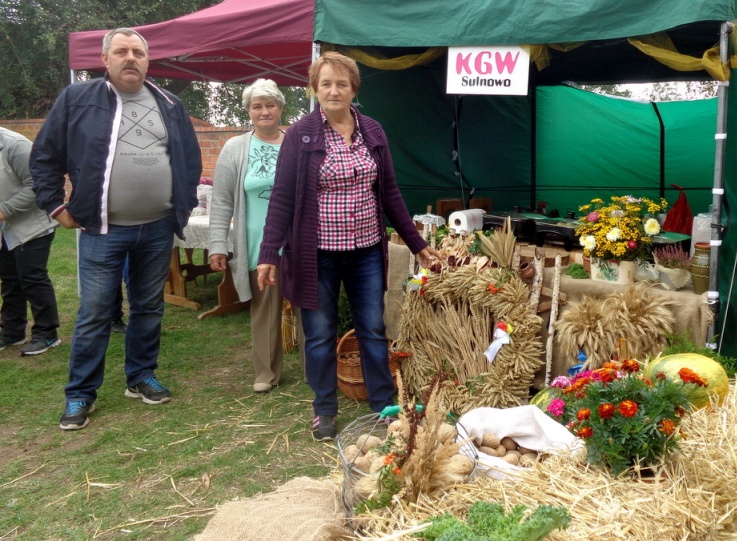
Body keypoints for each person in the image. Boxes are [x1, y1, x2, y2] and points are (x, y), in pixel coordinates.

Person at [257, 52, 438, 441]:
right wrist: (268, 253)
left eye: (341, 83)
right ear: (314, 89)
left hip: (366, 251)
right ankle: (324, 409)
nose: (333, 90)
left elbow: (389, 193)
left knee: (372, 328)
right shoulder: (301, 135)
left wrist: (417, 243)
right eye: (326, 83)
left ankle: (384, 406)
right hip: (315, 254)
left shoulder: (372, 131)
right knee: (319, 333)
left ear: (354, 88)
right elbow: (283, 198)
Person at [30, 27, 202, 431]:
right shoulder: (78, 99)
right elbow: (44, 157)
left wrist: (185, 202)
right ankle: (80, 395)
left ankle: (140, 376)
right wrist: (56, 206)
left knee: (148, 307)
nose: (131, 58)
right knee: (94, 313)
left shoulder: (170, 104)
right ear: (104, 59)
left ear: (147, 60)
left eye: (138, 52)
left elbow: (190, 162)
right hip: (102, 230)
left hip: (157, 228)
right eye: (121, 51)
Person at [208, 78, 288, 393]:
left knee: (308, 308)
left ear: (281, 108)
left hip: (296, 243)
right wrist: (218, 245)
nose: (264, 111)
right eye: (258, 106)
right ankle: (266, 373)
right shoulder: (235, 148)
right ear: (249, 111)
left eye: (270, 105)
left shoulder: (297, 140)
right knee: (265, 309)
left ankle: (316, 370)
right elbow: (222, 201)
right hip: (258, 246)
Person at [0, 127, 61, 356]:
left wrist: (4, 210)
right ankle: (12, 331)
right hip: (4, 228)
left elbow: (37, 185)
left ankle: (47, 333)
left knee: (32, 277)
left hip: (32, 225)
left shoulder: (15, 145)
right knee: (9, 279)